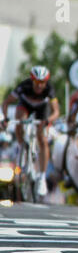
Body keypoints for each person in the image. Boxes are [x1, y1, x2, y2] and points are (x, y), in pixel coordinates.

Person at [1, 65, 60, 196]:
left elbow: (56, 111)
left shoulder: (49, 90)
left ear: (46, 82)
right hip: (25, 105)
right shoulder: (24, 86)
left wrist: (48, 120)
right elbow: (6, 103)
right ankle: (22, 145)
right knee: (20, 121)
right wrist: (5, 118)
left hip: (41, 109)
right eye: (37, 82)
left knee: (42, 138)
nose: (39, 86)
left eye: (42, 83)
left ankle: (41, 177)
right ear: (32, 80)